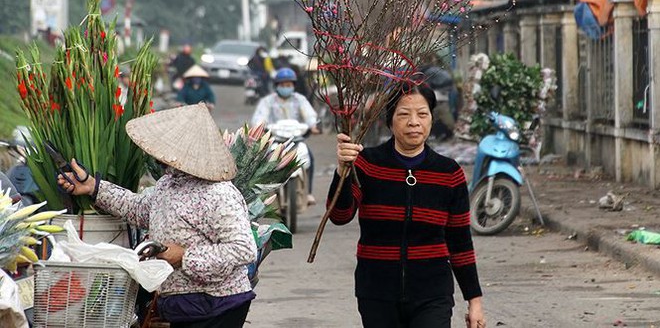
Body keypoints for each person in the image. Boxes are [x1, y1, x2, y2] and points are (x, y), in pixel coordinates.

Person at [56, 103, 257, 328]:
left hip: (218, 305)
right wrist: (93, 187)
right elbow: (138, 208)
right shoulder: (168, 184)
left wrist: (185, 257)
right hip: (183, 305)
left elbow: (243, 249)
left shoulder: (219, 193)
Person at [330, 82, 485, 328]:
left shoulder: (448, 173)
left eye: (422, 114)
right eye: (404, 114)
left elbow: (460, 242)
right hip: (377, 293)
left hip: (432, 293)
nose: (414, 122)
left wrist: (474, 300)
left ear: (431, 119)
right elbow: (340, 215)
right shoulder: (368, 164)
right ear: (390, 121)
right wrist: (343, 171)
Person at [251, 67, 319, 205]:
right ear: (277, 86)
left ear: (293, 85)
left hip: (296, 139)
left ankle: (309, 193)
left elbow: (309, 114)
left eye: (288, 85)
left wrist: (313, 125)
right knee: (261, 160)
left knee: (309, 157)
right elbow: (260, 116)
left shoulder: (300, 99)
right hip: (275, 139)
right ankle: (260, 194)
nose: (286, 87)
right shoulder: (268, 101)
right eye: (283, 85)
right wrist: (259, 126)